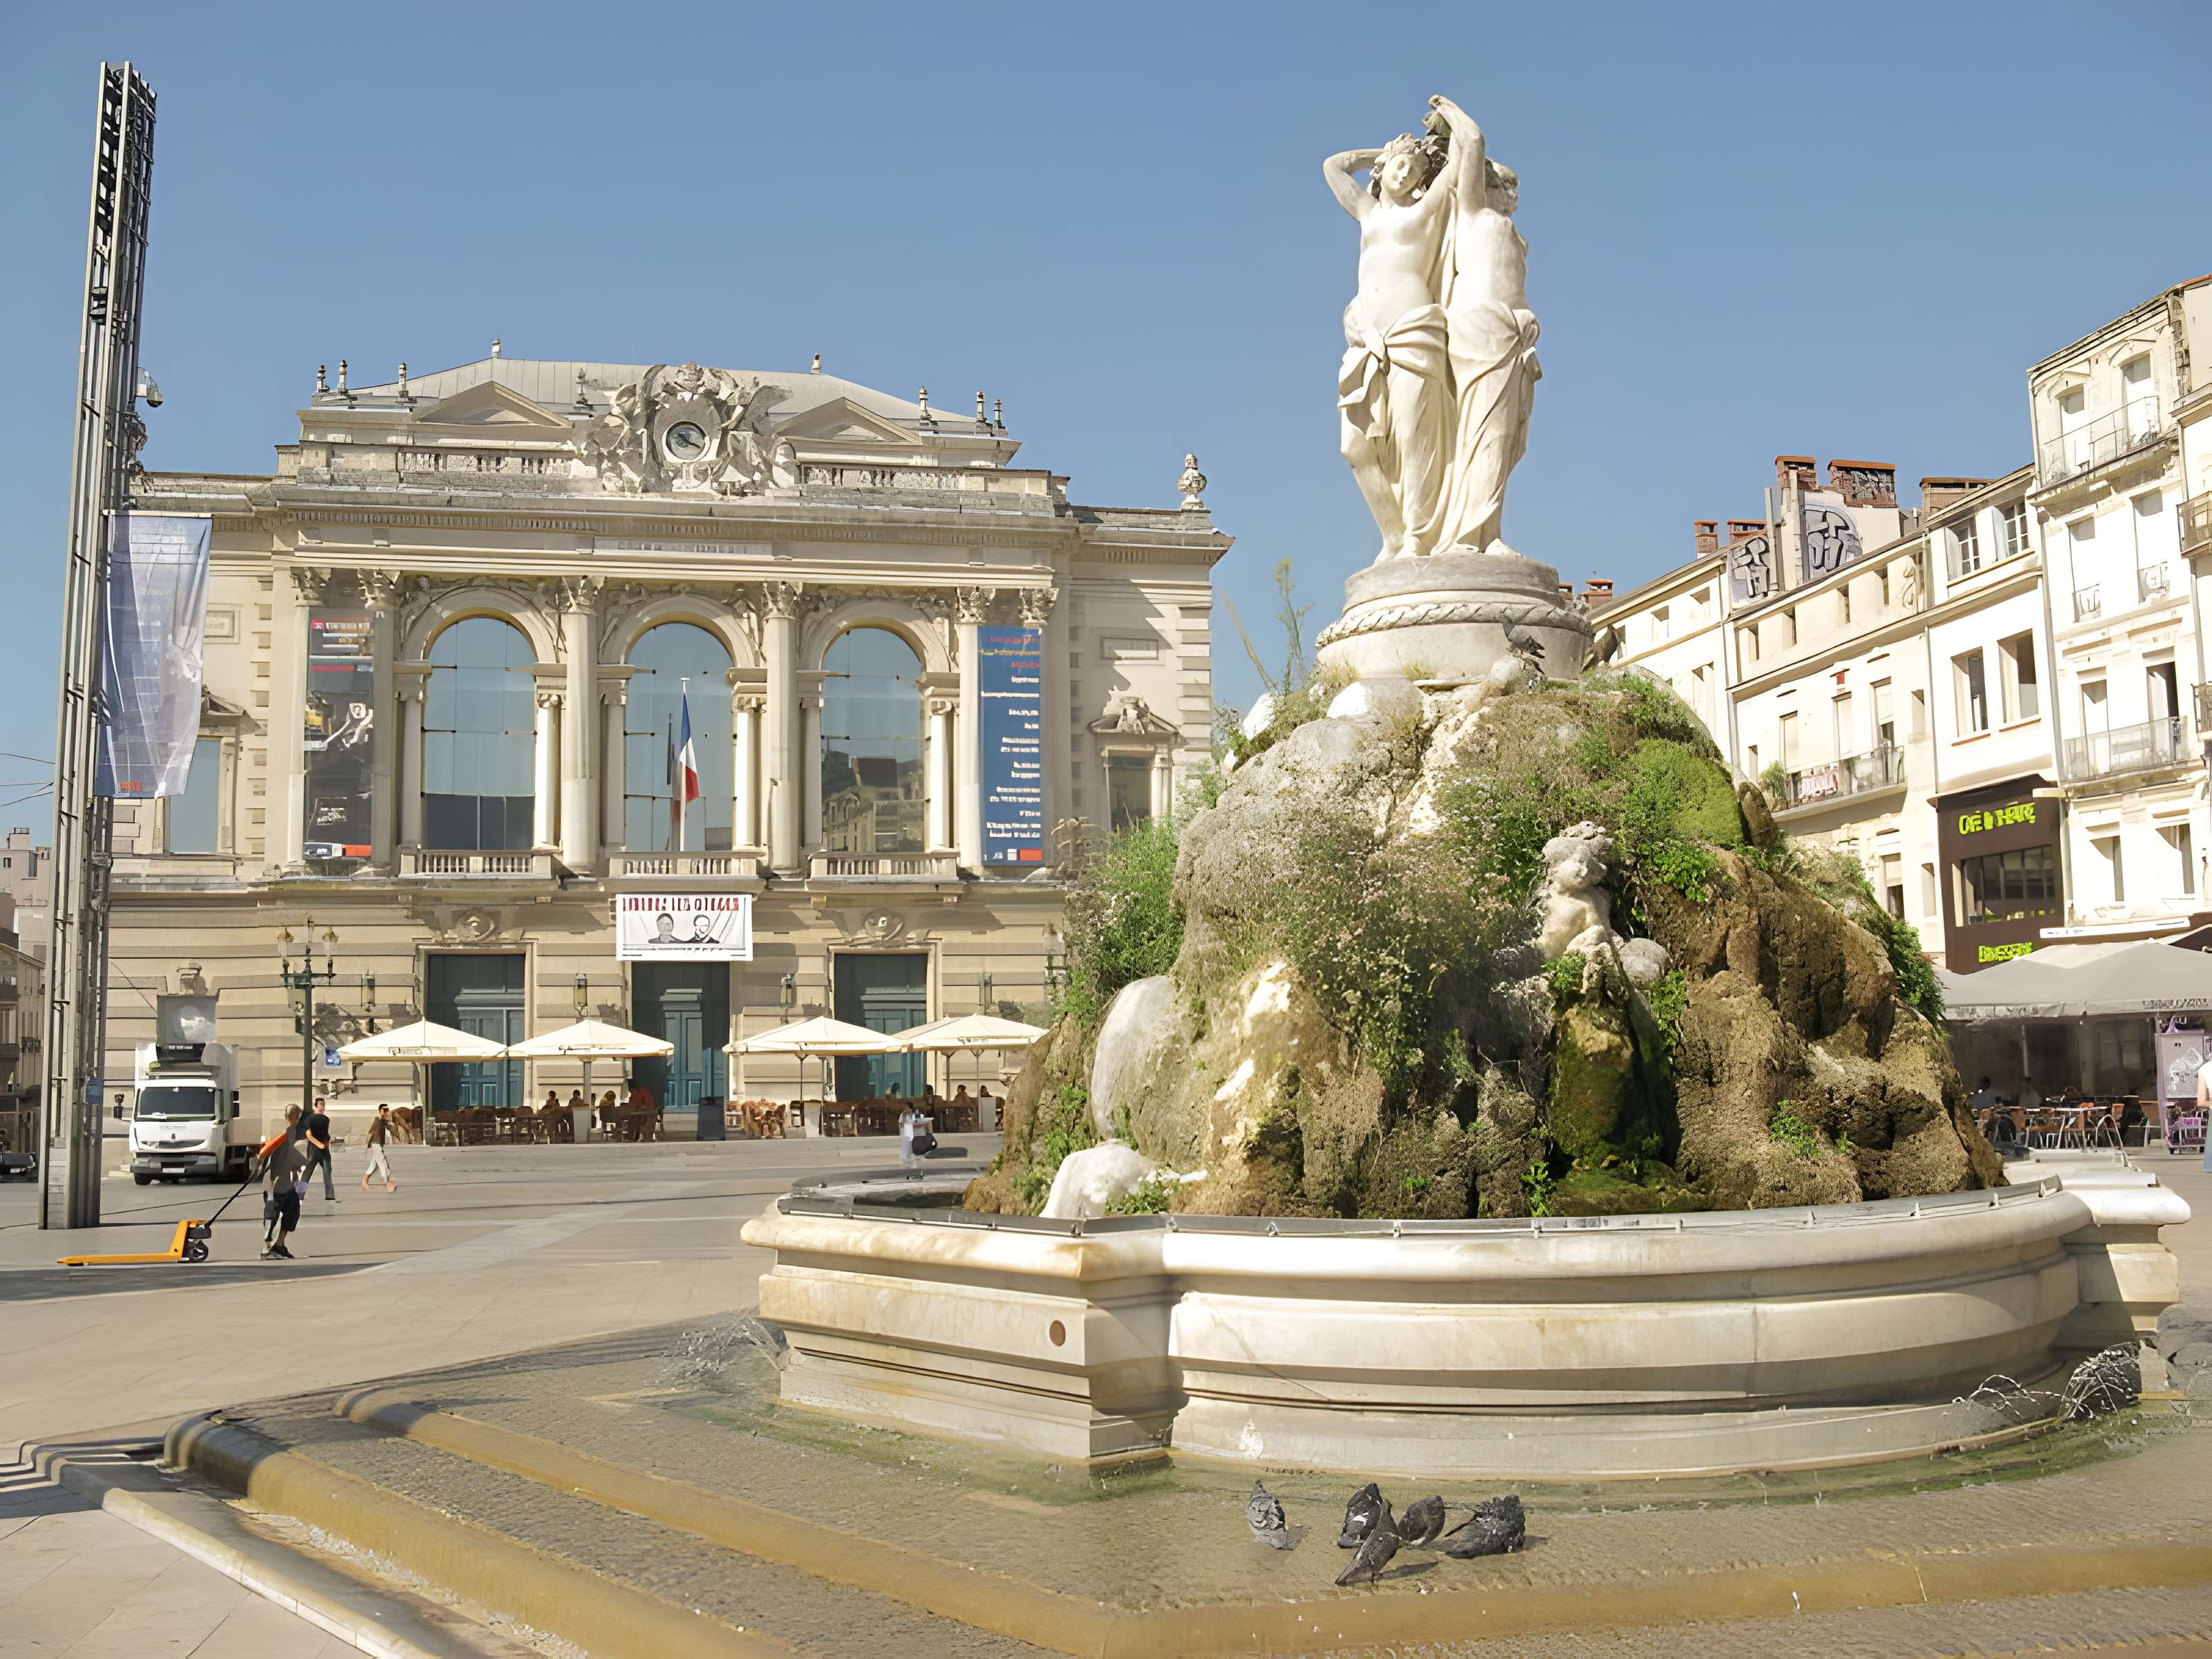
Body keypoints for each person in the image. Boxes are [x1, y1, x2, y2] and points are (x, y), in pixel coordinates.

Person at [256, 1108, 310, 1259]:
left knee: (293, 1212)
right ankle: (267, 1248)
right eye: (295, 1118)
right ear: (289, 1118)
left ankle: (279, 1244)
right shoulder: (285, 1136)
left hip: (292, 1182)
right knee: (272, 1214)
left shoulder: (296, 1135)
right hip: (276, 1183)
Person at [299, 1094, 337, 1201]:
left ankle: (330, 1195)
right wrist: (319, 1144)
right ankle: (299, 1194)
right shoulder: (309, 1120)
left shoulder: (326, 1119)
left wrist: (326, 1144)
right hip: (314, 1149)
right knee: (308, 1172)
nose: (323, 1106)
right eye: (321, 1104)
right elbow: (309, 1135)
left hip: (324, 1149)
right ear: (316, 1105)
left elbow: (326, 1134)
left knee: (327, 1172)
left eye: (324, 1104)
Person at [359, 1103, 397, 1193]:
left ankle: (364, 1182)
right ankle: (387, 1182)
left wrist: (389, 1121)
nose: (388, 1113)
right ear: (381, 1111)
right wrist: (368, 1144)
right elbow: (371, 1132)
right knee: (382, 1162)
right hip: (376, 1144)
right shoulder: (378, 1120)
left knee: (374, 1165)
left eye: (388, 1111)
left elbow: (391, 1127)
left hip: (379, 1144)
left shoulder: (384, 1121)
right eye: (386, 1111)